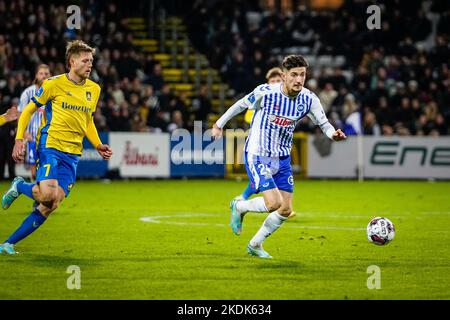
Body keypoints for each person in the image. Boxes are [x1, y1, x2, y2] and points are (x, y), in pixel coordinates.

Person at [212, 55, 346, 258]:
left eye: (302, 75)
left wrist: (332, 134)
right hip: (257, 153)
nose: (299, 79)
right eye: (294, 75)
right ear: (283, 76)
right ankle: (239, 206)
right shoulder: (265, 93)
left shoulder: (309, 99)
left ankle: (255, 245)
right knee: (273, 203)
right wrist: (219, 124)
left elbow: (324, 124)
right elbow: (240, 104)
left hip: (282, 158)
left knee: (285, 209)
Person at [0, 40, 113, 255]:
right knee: (47, 195)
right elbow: (28, 111)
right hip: (50, 145)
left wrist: (97, 144)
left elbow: (87, 121)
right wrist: (19, 139)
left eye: (92, 61)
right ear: (72, 62)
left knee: (51, 203)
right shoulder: (53, 84)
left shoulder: (94, 89)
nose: (90, 65)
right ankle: (19, 186)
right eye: (85, 60)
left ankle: (8, 243)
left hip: (73, 154)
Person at [18, 64, 51, 184]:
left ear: (50, 75)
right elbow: (20, 114)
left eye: (46, 74)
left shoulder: (52, 92)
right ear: (36, 75)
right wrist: (23, 132)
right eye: (41, 73)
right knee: (33, 168)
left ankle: (41, 195)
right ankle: (37, 197)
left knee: (46, 167)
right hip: (32, 136)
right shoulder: (28, 93)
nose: (44, 76)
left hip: (48, 137)